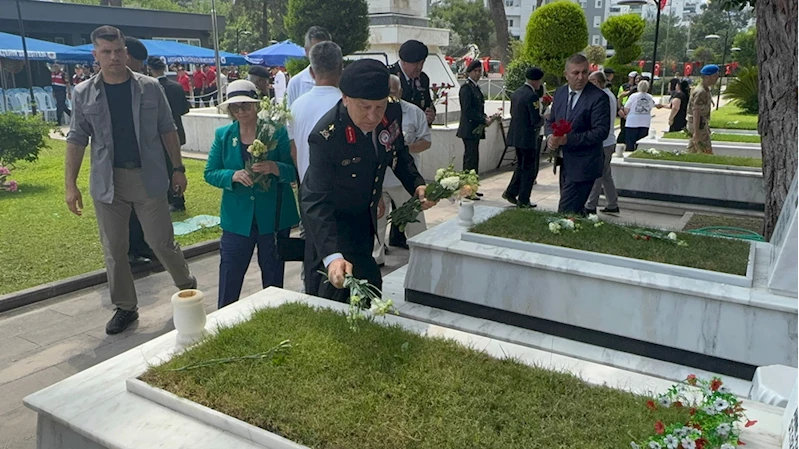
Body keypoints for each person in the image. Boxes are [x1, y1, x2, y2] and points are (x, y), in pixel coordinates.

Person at [65, 25, 196, 335]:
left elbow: (168, 129)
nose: (114, 57)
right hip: (107, 181)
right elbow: (76, 139)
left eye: (118, 51)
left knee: (160, 242)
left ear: (126, 51)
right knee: (114, 247)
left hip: (147, 177)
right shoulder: (83, 93)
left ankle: (187, 288)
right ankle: (125, 307)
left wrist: (178, 169)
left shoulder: (150, 87)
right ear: (95, 55)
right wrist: (70, 185)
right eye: (106, 52)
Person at [300, 59, 435, 300]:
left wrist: (417, 184)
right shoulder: (326, 136)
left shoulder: (392, 112)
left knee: (370, 293)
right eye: (364, 107)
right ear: (345, 99)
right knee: (334, 301)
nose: (373, 117)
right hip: (332, 230)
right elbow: (314, 200)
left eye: (379, 107)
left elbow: (399, 153)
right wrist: (332, 256)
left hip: (365, 222)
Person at [204, 80, 299, 309]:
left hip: (273, 219)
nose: (240, 111)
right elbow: (210, 173)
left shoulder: (275, 131)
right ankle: (223, 319)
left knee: (273, 276)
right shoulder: (224, 135)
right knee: (230, 275)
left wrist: (274, 167)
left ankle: (273, 316)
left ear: (256, 105)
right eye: (234, 108)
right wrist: (232, 176)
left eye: (245, 105)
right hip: (237, 220)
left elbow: (294, 171)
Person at [373, 74, 432, 265]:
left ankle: (422, 257)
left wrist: (404, 149)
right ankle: (376, 260)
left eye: (393, 91)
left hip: (404, 180)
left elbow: (426, 141)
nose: (390, 96)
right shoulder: (373, 113)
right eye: (387, 91)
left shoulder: (413, 112)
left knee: (414, 222)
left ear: (400, 91)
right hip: (379, 179)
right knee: (377, 225)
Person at [545, 54, 610, 215]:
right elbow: (550, 121)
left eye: (585, 72)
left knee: (566, 210)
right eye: (575, 73)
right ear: (566, 74)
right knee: (575, 211)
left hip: (585, 164)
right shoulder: (560, 93)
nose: (581, 77)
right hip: (564, 161)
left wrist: (568, 140)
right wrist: (550, 137)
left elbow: (601, 132)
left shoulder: (598, 97)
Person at [288, 41, 344, 184]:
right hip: (341, 191)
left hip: (308, 189)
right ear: (341, 68)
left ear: (312, 72)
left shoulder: (296, 106)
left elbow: (294, 151)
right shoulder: (346, 105)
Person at [502, 66, 543, 209]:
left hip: (516, 135)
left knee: (521, 165)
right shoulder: (532, 96)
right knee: (529, 168)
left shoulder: (517, 93)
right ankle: (524, 198)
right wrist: (545, 118)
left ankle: (511, 192)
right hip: (528, 137)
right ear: (537, 81)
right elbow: (535, 119)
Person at [584, 70, 620, 215]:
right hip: (608, 141)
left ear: (598, 82)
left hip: (603, 143)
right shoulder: (608, 95)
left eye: (591, 81)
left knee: (597, 174)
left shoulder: (603, 96)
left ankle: (591, 205)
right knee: (605, 175)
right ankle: (612, 202)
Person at [388, 39, 436, 125]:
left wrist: (431, 115)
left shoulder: (423, 78)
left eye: (422, 63)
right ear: (404, 62)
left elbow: (428, 103)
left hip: (417, 130)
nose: (419, 67)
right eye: (416, 64)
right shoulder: (389, 76)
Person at [457, 60, 488, 181]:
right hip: (469, 129)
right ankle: (467, 187)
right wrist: (483, 119)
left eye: (480, 71)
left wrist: (485, 117)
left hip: (475, 129)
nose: (478, 74)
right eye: (475, 71)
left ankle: (472, 185)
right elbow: (467, 110)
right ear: (469, 72)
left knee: (475, 158)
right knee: (470, 158)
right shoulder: (466, 88)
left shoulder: (475, 88)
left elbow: (479, 107)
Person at [287, 26, 332, 106]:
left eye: (325, 51)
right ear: (306, 51)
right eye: (316, 51)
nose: (321, 55)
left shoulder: (341, 80)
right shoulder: (296, 83)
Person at [686, 65, 719, 154]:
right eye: (715, 76)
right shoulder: (701, 91)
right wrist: (696, 132)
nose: (717, 78)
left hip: (700, 123)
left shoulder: (705, 89)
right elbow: (696, 112)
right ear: (707, 77)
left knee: (693, 150)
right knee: (706, 151)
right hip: (698, 124)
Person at [623, 80, 656, 152]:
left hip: (632, 122)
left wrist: (626, 114)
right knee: (641, 142)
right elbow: (651, 107)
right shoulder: (650, 97)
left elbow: (626, 108)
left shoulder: (633, 96)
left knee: (630, 142)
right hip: (645, 122)